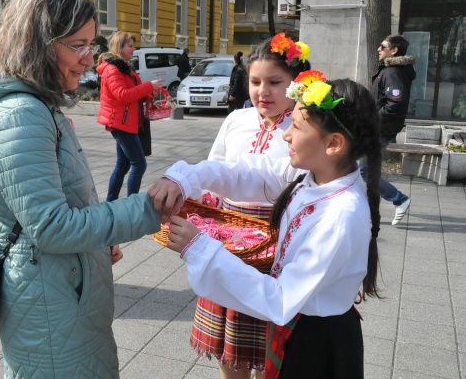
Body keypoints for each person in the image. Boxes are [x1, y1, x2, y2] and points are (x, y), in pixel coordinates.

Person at [0, 0, 169, 379]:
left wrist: (97, 242)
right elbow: (52, 228)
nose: (88, 59)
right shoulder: (19, 114)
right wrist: (149, 208)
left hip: (60, 290)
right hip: (50, 303)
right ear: (35, 42)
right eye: (77, 45)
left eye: (91, 44)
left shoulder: (35, 103)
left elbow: (52, 212)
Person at [149, 76, 382, 379]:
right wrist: (186, 178)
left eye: (297, 127)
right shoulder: (313, 176)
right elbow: (250, 172)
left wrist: (200, 248)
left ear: (333, 143)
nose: (286, 135)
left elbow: (281, 299)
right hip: (296, 324)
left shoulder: (340, 215)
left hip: (315, 341)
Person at [192, 33, 311, 379]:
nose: (263, 91)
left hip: (277, 240)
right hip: (229, 239)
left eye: (275, 82)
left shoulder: (304, 127)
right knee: (231, 341)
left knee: (269, 335)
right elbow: (214, 172)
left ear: (296, 84)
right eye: (255, 82)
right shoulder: (236, 120)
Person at [97, 31, 164, 202]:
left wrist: (151, 94)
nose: (134, 49)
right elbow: (122, 95)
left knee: (123, 165)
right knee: (139, 165)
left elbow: (135, 95)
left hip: (127, 122)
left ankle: (111, 202)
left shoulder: (126, 68)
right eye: (130, 46)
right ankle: (131, 203)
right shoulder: (113, 69)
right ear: (119, 47)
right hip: (121, 123)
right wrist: (149, 86)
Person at [362, 34, 415, 225]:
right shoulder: (391, 70)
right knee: (362, 169)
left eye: (382, 46)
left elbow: (395, 105)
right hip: (380, 127)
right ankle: (365, 210)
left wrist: (374, 119)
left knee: (365, 171)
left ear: (394, 50)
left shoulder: (393, 73)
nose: (378, 49)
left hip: (381, 129)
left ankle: (399, 199)